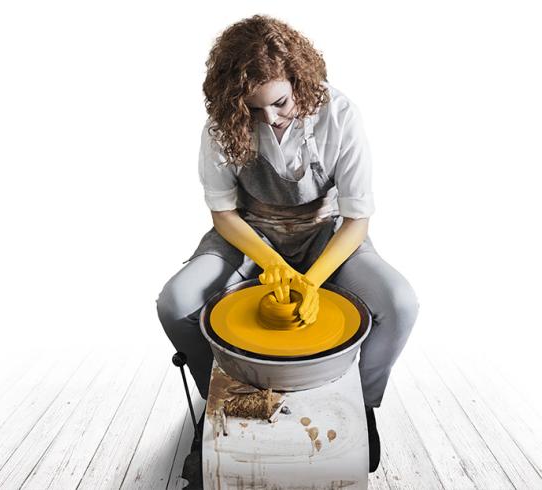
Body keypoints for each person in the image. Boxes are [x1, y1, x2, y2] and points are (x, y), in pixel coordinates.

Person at [156, 14, 420, 477]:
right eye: (253, 110)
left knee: (400, 304)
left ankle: (364, 405)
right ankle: (218, 406)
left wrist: (312, 279)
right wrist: (272, 261)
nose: (268, 119)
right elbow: (223, 213)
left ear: (298, 79)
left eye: (278, 103)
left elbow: (357, 218)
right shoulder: (223, 122)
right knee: (175, 302)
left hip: (328, 233)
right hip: (249, 233)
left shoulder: (340, 113)